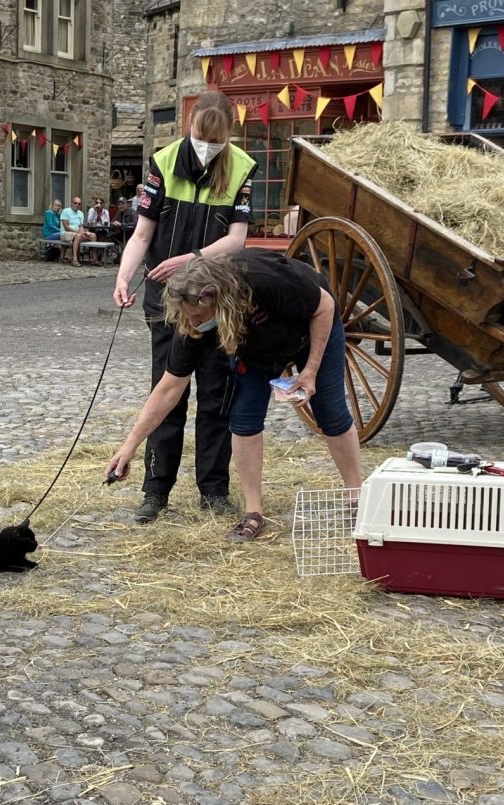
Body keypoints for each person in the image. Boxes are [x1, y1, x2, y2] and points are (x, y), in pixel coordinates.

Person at [106, 249, 362, 541]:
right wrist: (128, 448)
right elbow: (168, 388)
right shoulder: (193, 323)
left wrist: (311, 370)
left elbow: (325, 306)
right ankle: (254, 513)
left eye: (199, 316)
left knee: (330, 412)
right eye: (187, 318)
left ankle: (357, 499)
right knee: (243, 419)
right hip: (255, 350)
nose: (193, 324)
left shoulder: (263, 279)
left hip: (312, 330)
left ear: (217, 299)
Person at [113, 91, 258, 524]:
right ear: (189, 128)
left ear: (228, 135)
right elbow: (142, 235)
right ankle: (155, 491)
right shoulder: (163, 162)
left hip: (217, 301)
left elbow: (236, 239)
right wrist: (122, 277)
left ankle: (213, 492)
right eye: (200, 137)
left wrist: (195, 257)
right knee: (167, 393)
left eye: (215, 140)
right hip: (167, 300)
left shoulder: (242, 167)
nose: (206, 146)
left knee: (216, 398)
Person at [60, 196, 96, 267]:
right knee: (78, 236)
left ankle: (94, 259)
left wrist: (83, 233)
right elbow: (66, 227)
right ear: (71, 203)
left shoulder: (81, 213)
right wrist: (79, 233)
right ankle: (74, 260)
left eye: (79, 204)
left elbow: (81, 226)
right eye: (75, 203)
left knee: (93, 235)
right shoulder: (66, 211)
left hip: (77, 233)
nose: (77, 205)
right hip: (65, 233)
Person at [110, 197, 137, 262]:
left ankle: (124, 256)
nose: (121, 206)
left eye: (123, 204)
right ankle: (117, 254)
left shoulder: (132, 211)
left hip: (131, 234)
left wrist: (121, 224)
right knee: (106, 237)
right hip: (121, 234)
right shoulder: (119, 213)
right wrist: (114, 224)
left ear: (126, 204)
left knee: (125, 244)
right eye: (119, 204)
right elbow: (112, 222)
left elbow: (135, 224)